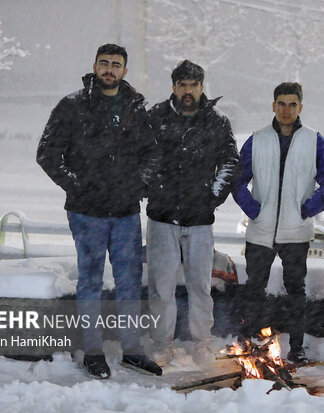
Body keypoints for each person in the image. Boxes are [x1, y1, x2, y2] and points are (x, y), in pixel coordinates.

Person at [37, 44, 162, 379]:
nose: (110, 69)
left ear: (124, 70)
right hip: (86, 211)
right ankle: (93, 352)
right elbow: (48, 153)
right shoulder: (72, 105)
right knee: (90, 282)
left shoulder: (135, 107)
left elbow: (152, 155)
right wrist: (78, 185)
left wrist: (137, 185)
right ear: (94, 65)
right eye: (104, 63)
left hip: (125, 212)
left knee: (130, 282)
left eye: (116, 64)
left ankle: (132, 351)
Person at [145, 60, 239, 364]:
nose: (188, 91)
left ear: (202, 87)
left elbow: (230, 161)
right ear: (174, 87)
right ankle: (162, 343)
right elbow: (138, 158)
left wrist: (212, 196)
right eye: (183, 85)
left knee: (201, 285)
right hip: (162, 217)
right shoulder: (155, 117)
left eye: (194, 85)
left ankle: (202, 342)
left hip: (200, 220)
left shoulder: (216, 121)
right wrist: (152, 187)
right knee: (161, 286)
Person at [232, 82, 324, 363]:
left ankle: (297, 347)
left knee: (296, 292)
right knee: (254, 288)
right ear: (273, 105)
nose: (286, 110)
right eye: (281, 104)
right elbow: (238, 181)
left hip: (296, 231)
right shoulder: (257, 138)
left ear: (300, 107)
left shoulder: (314, 140)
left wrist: (307, 210)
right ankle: (248, 340)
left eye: (292, 104)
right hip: (260, 230)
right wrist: (253, 210)